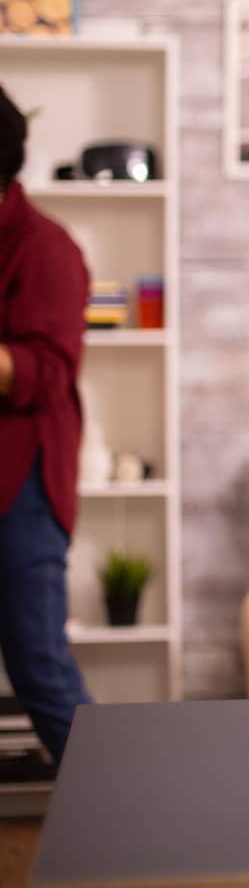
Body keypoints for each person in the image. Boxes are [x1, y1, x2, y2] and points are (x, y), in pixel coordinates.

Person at [0, 83, 94, 766]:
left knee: (40, 666)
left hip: (21, 485)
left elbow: (45, 375)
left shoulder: (47, 249)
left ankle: (130, 821)